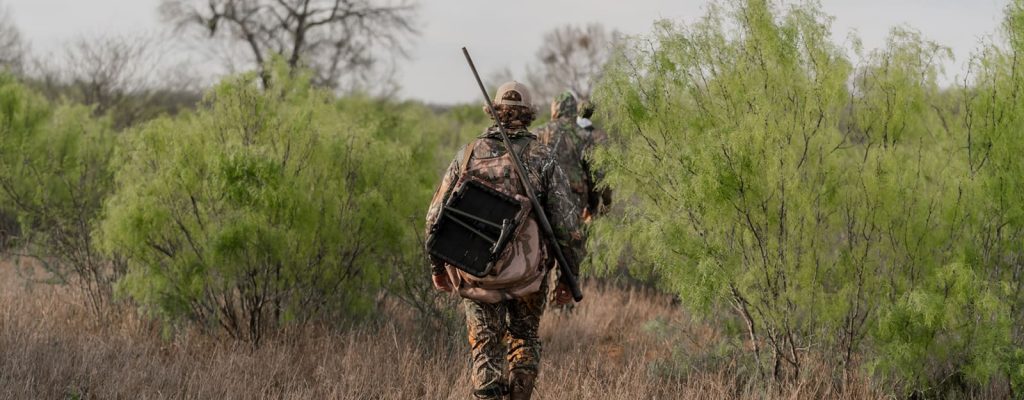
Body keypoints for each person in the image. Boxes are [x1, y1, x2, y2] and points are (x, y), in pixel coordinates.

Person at [425, 81, 583, 400]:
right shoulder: (543, 157)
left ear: (493, 112)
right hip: (530, 275)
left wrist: (437, 267)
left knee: (485, 346)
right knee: (523, 339)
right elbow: (568, 227)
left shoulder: (467, 154)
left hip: (476, 270)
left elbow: (434, 219)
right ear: (527, 116)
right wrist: (569, 276)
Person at [575, 99, 612, 216]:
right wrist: (607, 201)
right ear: (592, 113)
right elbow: (604, 172)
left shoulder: (565, 133)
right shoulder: (600, 137)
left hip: (567, 197)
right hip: (591, 199)